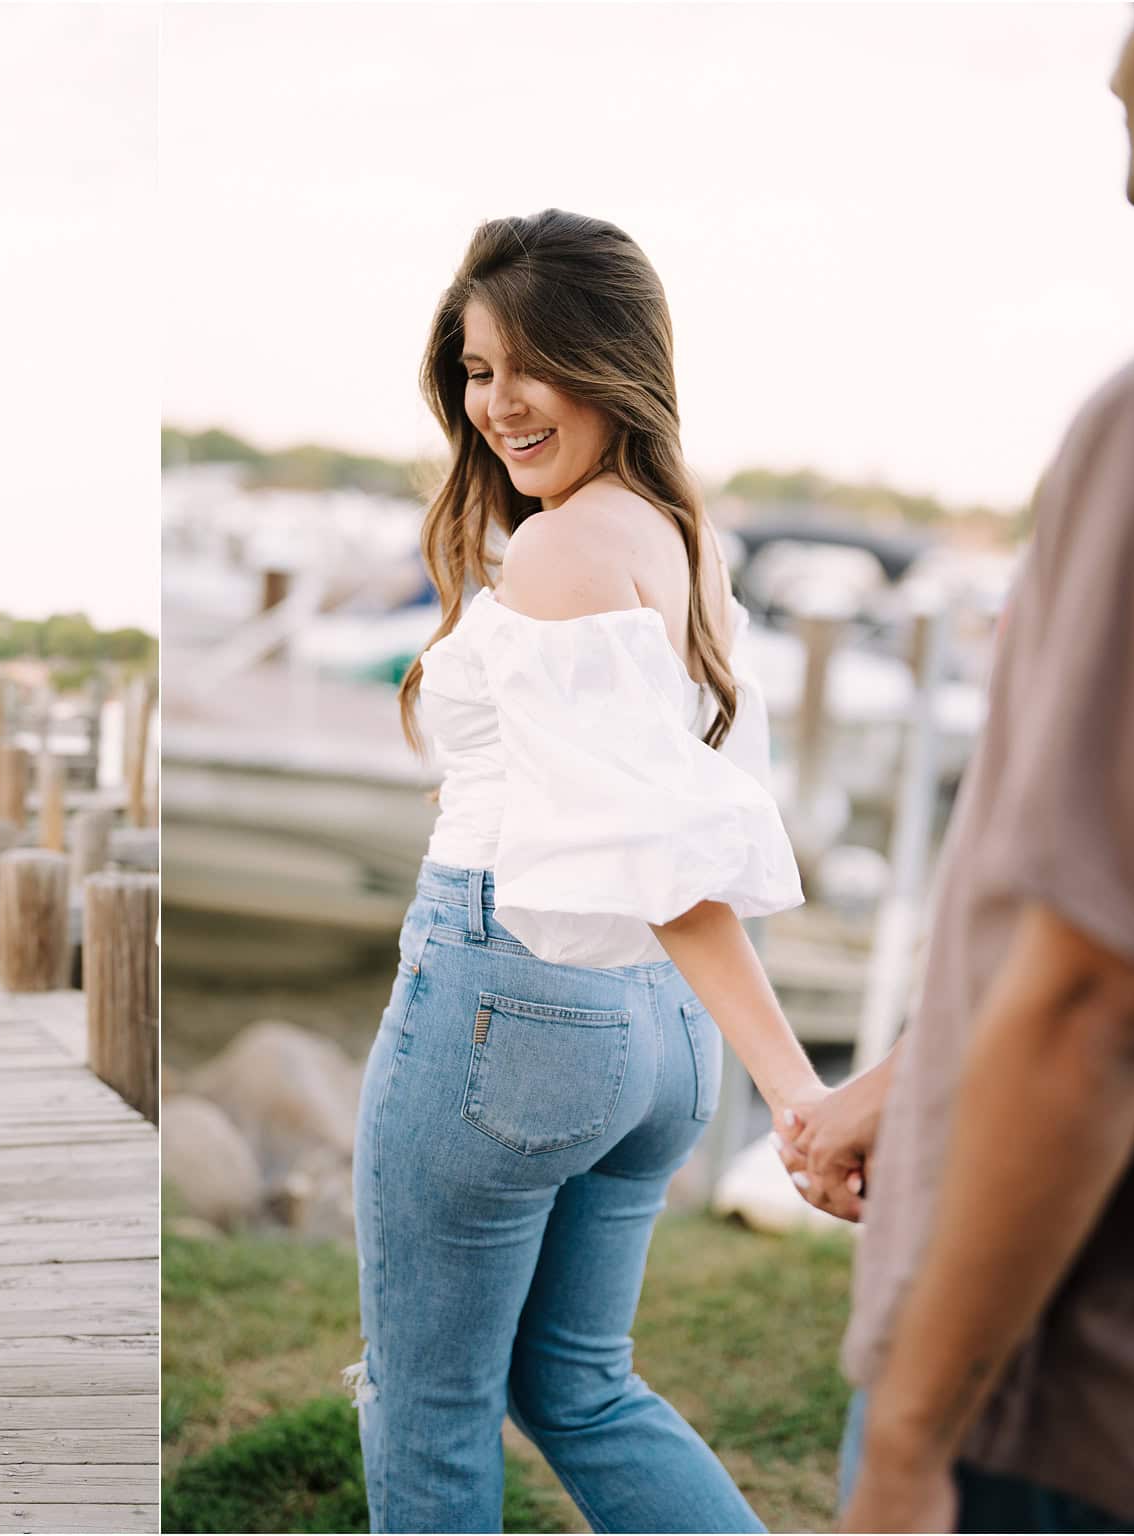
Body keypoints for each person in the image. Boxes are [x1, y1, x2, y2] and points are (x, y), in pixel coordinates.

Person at [349, 209, 821, 1534]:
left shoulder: (562, 550)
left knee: (425, 1407)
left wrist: (798, 1096)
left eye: (529, 365)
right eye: (476, 368)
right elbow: (694, 810)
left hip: (514, 998)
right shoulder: (680, 534)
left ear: (614, 360)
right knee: (579, 1386)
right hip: (657, 1035)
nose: (497, 403)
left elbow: (661, 855)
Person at [778, 6, 1134, 1530]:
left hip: (1070, 1401)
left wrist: (912, 1437)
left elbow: (1101, 993)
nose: (1114, 58)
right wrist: (915, 1084)